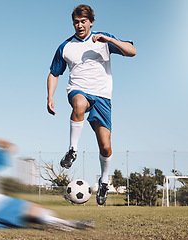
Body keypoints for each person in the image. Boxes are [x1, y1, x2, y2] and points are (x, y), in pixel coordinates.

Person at [46, 4, 136, 205]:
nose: (79, 25)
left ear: (91, 22)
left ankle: (104, 181)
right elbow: (53, 73)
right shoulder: (65, 47)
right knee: (78, 104)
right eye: (76, 22)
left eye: (83, 22)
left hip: (103, 97)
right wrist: (50, 97)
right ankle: (72, 150)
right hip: (78, 90)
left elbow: (132, 52)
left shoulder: (102, 40)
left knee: (105, 146)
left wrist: (110, 40)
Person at [0, 138, 93, 231]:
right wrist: (1, 143)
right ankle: (68, 225)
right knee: (34, 209)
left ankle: (54, 223)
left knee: (26, 218)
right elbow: (11, 148)